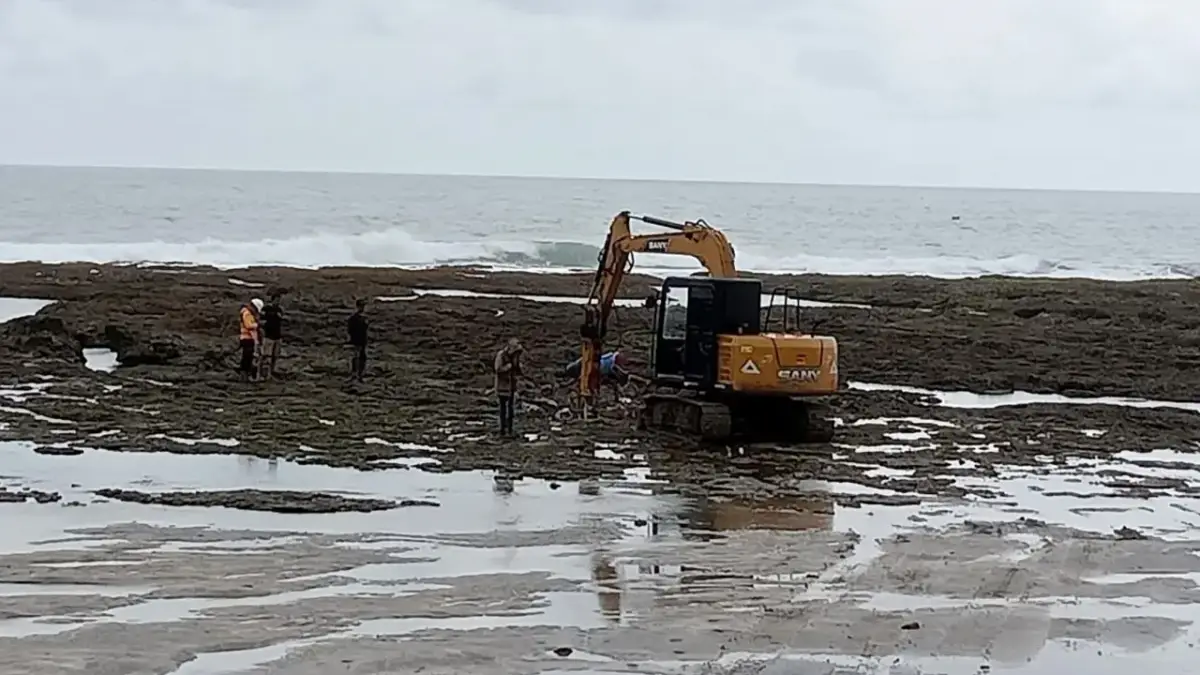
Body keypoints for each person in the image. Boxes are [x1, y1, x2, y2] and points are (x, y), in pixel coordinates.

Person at [494, 338, 524, 437]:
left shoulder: (515, 357)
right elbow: (497, 369)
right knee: (503, 409)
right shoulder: (501, 355)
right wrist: (507, 367)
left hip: (512, 386)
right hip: (502, 386)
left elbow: (518, 370)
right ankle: (502, 429)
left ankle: (510, 429)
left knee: (511, 408)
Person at [258, 293, 284, 380]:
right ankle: (262, 373)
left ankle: (271, 372)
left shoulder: (279, 309)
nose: (278, 301)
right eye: (277, 299)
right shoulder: (266, 309)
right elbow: (260, 318)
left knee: (275, 356)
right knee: (265, 356)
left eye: (279, 300)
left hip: (277, 336)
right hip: (268, 336)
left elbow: (281, 319)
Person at [238, 298, 263, 382]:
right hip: (247, 339)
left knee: (248, 358)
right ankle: (244, 376)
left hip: (249, 339)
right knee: (246, 358)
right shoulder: (247, 313)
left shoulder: (248, 313)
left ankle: (246, 375)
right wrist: (257, 325)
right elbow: (249, 325)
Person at [347, 298, 369, 382]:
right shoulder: (355, 318)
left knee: (362, 357)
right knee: (357, 357)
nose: (363, 308)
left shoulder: (362, 318)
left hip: (362, 341)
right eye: (362, 306)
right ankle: (355, 374)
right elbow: (350, 330)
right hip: (357, 341)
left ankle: (359, 374)